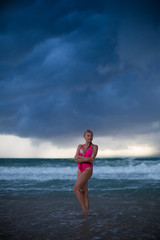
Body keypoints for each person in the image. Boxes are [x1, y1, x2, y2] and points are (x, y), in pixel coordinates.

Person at [73, 130, 98, 213]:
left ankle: (85, 210)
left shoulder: (94, 147)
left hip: (88, 169)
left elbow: (91, 159)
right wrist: (84, 158)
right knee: (84, 192)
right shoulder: (80, 146)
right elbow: (75, 158)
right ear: (84, 137)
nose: (90, 137)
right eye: (88, 136)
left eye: (91, 136)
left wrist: (81, 158)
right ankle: (87, 212)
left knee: (76, 189)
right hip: (79, 169)